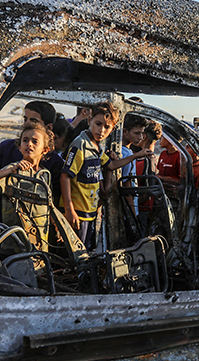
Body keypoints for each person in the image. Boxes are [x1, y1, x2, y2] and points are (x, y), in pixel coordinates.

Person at [60, 102, 152, 250]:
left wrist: (137, 155)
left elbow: (111, 165)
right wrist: (69, 209)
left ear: (113, 129)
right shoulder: (80, 145)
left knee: (86, 254)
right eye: (98, 124)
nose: (101, 130)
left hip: (89, 212)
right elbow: (65, 176)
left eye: (107, 127)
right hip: (77, 212)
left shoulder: (96, 146)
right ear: (89, 121)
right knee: (76, 256)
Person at [0, 101, 63, 227]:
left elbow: (53, 202)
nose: (27, 123)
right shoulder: (5, 149)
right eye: (25, 118)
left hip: (37, 229)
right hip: (3, 224)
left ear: (48, 128)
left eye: (33, 120)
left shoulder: (54, 163)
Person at [0, 121, 55, 252]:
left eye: (35, 141)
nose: (29, 144)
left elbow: (47, 206)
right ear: (19, 146)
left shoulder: (44, 175)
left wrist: (56, 224)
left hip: (39, 238)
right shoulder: (14, 170)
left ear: (45, 150)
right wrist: (11, 170)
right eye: (25, 140)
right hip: (13, 238)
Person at [120, 114, 148, 211]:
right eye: (137, 133)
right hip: (127, 211)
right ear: (125, 132)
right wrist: (133, 213)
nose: (140, 137)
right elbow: (126, 187)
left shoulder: (127, 152)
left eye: (142, 133)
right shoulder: (127, 155)